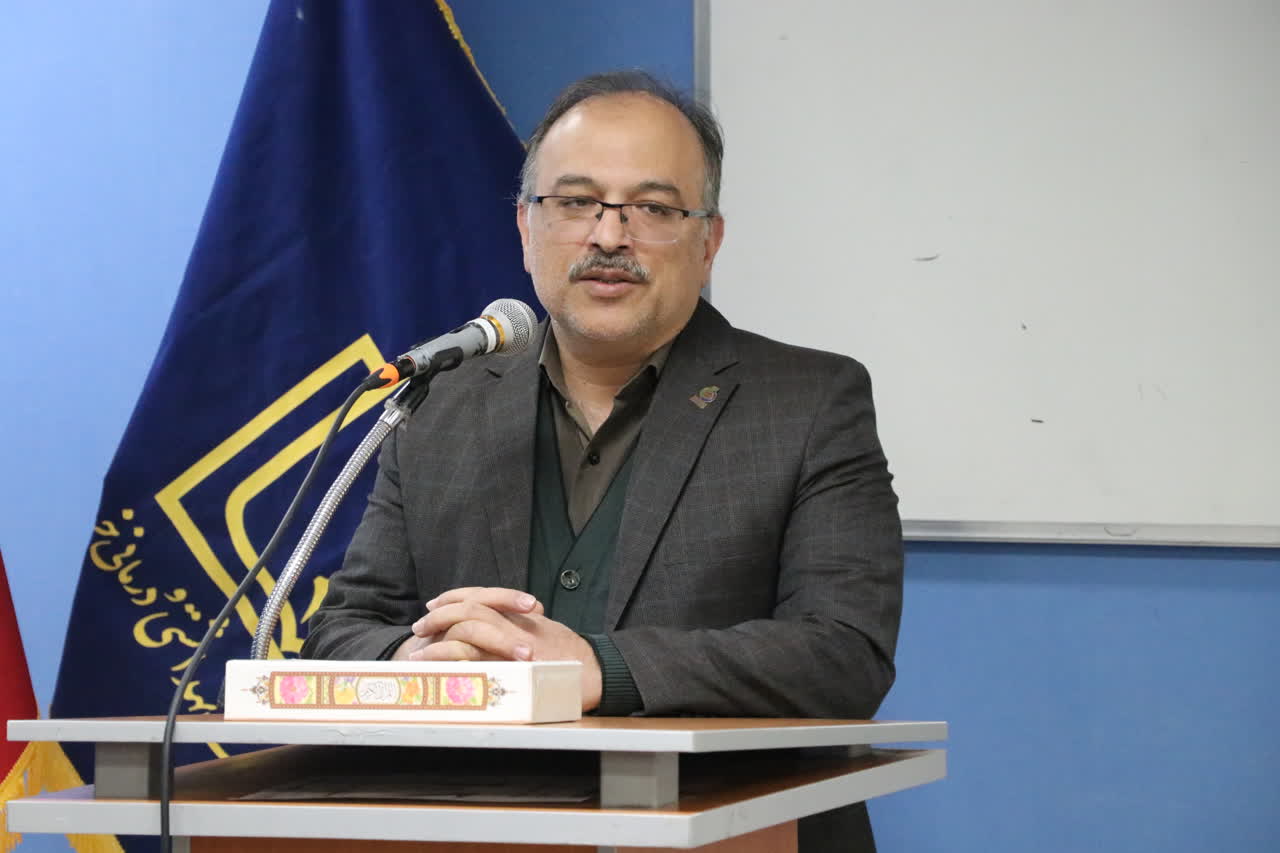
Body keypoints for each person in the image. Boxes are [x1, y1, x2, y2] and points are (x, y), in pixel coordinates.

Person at [302, 70, 904, 852]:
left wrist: (600, 666)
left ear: (709, 241)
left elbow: (844, 654)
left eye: (652, 208)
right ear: (526, 227)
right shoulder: (440, 404)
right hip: (482, 830)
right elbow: (341, 630)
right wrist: (419, 658)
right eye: (576, 201)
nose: (609, 237)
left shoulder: (811, 401)